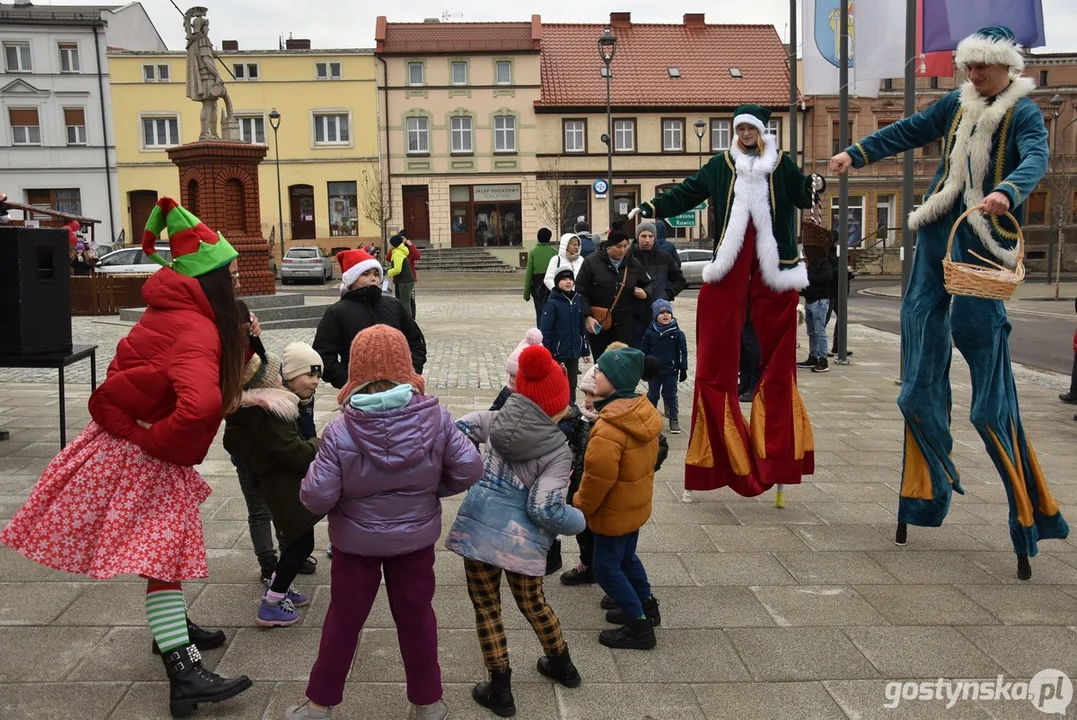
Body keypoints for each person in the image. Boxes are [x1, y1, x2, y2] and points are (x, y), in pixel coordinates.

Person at [829, 25, 1068, 580]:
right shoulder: (955, 104)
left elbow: (1035, 159)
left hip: (982, 242)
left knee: (989, 396)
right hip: (940, 232)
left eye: (982, 67)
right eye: (969, 66)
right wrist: (855, 152)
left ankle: (1027, 515)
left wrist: (1006, 192)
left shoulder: (1024, 113)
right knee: (915, 385)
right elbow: (909, 130)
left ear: (1006, 67)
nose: (971, 74)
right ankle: (927, 490)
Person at [0, 197, 252, 715]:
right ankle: (184, 675)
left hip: (124, 441)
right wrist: (162, 446)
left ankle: (172, 631)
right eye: (232, 273)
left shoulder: (179, 311)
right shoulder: (196, 326)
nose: (238, 281)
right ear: (211, 282)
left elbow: (190, 375)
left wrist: (245, 346)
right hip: (139, 452)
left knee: (164, 553)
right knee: (162, 556)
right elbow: (201, 401)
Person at [629, 103, 823, 503]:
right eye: (740, 127)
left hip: (774, 265)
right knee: (716, 354)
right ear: (735, 131)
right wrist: (652, 207)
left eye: (752, 127)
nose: (746, 133)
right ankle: (714, 459)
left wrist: (814, 184)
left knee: (778, 356)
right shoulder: (721, 165)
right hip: (730, 262)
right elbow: (687, 192)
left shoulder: (780, 163)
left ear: (762, 131)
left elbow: (801, 193)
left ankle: (777, 457)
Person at [286, 325, 482, 720]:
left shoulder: (340, 431)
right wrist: (427, 492)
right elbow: (469, 467)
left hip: (355, 547)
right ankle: (428, 703)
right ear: (406, 368)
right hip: (415, 542)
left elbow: (316, 496)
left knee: (343, 621)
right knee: (417, 618)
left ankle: (319, 705)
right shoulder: (438, 419)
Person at [447, 344, 586, 717]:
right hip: (521, 547)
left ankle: (501, 690)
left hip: (477, 534)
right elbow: (544, 509)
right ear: (558, 403)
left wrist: (470, 473)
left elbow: (453, 434)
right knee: (533, 602)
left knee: (487, 608)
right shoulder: (558, 450)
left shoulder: (490, 421)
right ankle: (562, 665)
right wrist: (579, 520)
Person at [572, 346, 662, 650]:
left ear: (617, 382)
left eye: (602, 372)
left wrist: (580, 507)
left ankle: (638, 626)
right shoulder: (640, 411)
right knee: (626, 558)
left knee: (607, 568)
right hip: (634, 506)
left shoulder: (609, 429)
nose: (595, 374)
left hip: (612, 512)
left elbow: (597, 480)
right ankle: (647, 605)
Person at [223, 351, 322, 627]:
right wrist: (320, 442)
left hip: (279, 484)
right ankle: (272, 602)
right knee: (302, 544)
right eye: (277, 375)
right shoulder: (270, 414)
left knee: (296, 541)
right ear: (267, 383)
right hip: (284, 487)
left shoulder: (256, 413)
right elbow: (298, 453)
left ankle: (281, 584)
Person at [315, 248, 426, 389]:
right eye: (365, 274)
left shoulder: (394, 306)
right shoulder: (337, 312)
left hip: (400, 387)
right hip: (358, 393)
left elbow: (416, 342)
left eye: (376, 274)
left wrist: (410, 373)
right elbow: (324, 355)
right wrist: (351, 383)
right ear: (352, 278)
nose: (373, 278)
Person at [575, 230, 653, 359]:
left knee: (622, 361)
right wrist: (587, 316)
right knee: (601, 361)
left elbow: (649, 283)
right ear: (609, 246)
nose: (622, 250)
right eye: (618, 246)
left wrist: (646, 293)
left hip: (624, 322)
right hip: (599, 321)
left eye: (625, 246)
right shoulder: (592, 261)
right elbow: (580, 290)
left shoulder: (632, 263)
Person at [630, 221, 686, 348]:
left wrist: (667, 294)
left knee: (658, 354)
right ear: (637, 237)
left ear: (655, 237)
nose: (647, 240)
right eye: (643, 236)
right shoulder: (629, 258)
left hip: (658, 314)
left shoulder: (664, 257)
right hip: (634, 316)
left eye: (650, 236)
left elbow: (680, 280)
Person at [540, 267, 589, 405]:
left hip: (573, 352)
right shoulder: (552, 304)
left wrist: (585, 350)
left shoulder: (576, 301)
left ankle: (571, 409)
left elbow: (581, 328)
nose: (568, 282)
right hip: (558, 353)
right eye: (564, 279)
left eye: (570, 279)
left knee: (572, 384)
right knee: (558, 384)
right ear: (557, 282)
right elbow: (545, 331)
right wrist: (548, 353)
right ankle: (557, 408)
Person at [640, 299, 688, 435]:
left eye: (668, 312)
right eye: (661, 313)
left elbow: (683, 352)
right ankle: (650, 418)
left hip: (670, 370)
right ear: (655, 316)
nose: (665, 315)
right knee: (653, 395)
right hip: (654, 371)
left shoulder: (677, 333)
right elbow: (643, 351)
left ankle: (674, 419)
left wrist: (683, 368)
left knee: (670, 395)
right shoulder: (650, 332)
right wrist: (643, 368)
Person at [798, 241, 837, 374]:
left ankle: (823, 359)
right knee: (811, 331)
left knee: (820, 331)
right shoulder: (811, 265)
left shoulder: (823, 263)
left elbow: (827, 277)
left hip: (820, 300)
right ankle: (813, 356)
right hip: (810, 300)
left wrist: (807, 276)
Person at [489, 328, 544, 411]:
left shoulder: (538, 397)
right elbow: (492, 412)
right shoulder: (506, 392)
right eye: (511, 375)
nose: (512, 380)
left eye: (516, 377)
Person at [524, 228, 558, 324]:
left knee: (540, 313)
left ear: (537, 238)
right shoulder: (554, 252)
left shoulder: (533, 252)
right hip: (551, 285)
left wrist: (526, 293)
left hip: (537, 286)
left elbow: (528, 274)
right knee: (552, 312)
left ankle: (541, 334)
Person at [387, 235, 416, 320]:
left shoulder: (398, 253)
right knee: (401, 300)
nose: (390, 245)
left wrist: (388, 272)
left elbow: (397, 269)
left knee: (405, 302)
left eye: (391, 243)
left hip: (405, 281)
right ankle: (403, 319)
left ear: (394, 244)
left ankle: (407, 321)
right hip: (402, 280)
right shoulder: (398, 251)